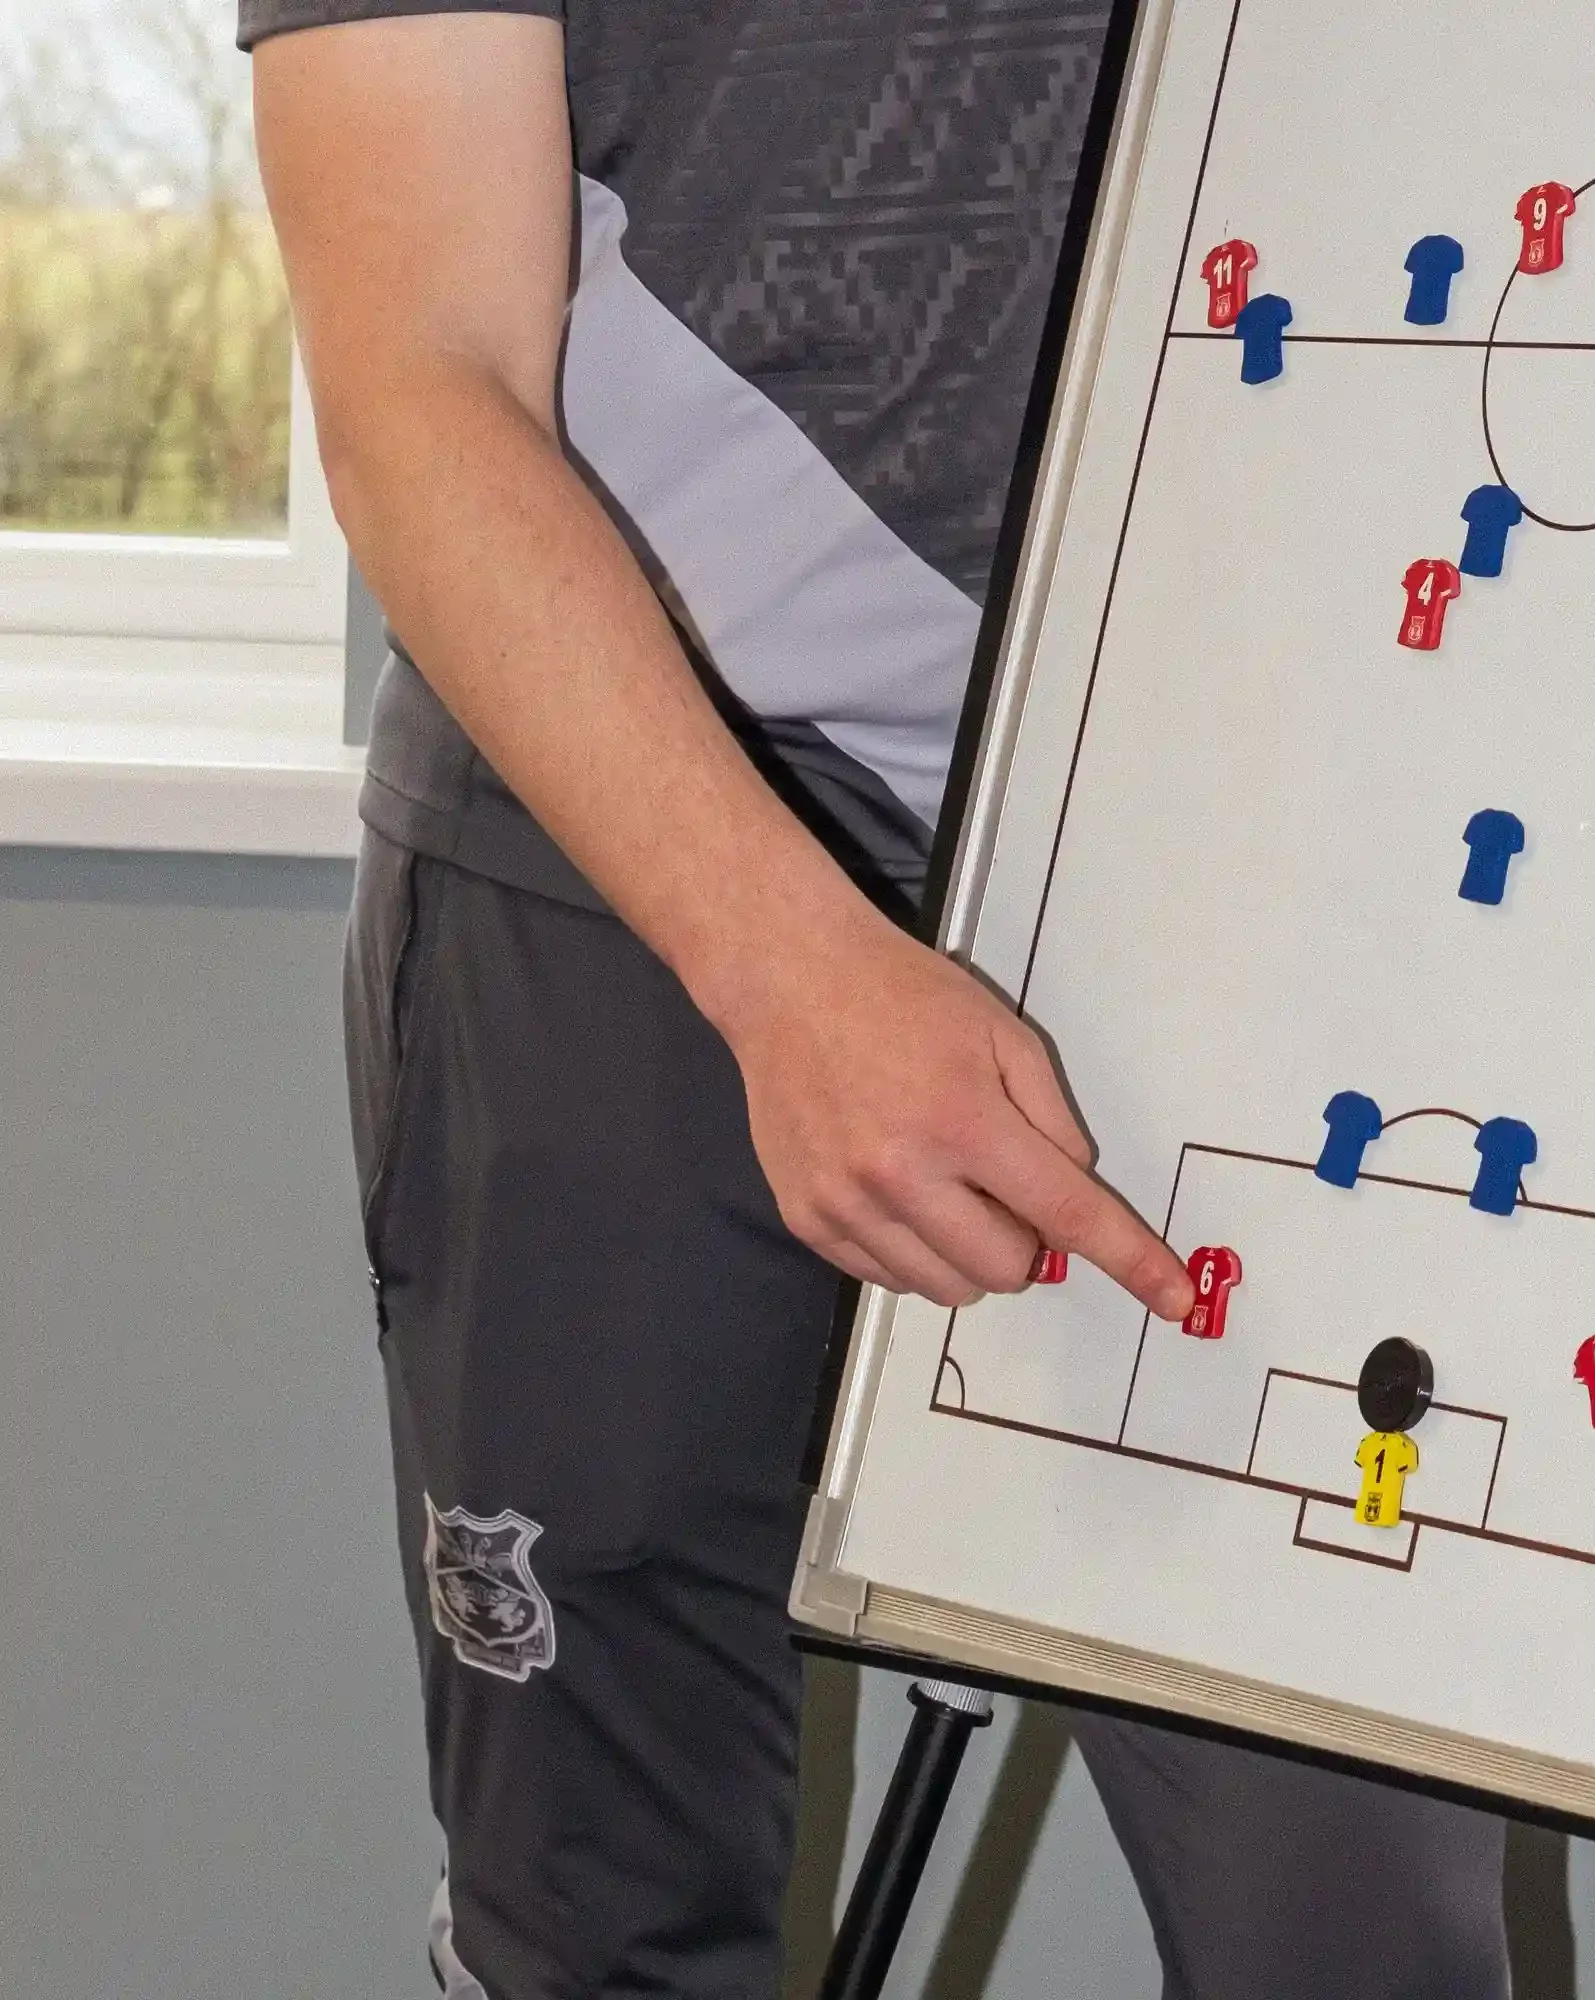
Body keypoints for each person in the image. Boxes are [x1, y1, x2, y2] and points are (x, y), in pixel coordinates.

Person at [241, 3, 1514, 1994]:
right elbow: (422, 376)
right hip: (617, 834)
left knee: (1357, 1936)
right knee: (597, 1938)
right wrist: (786, 969)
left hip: (1235, 844)